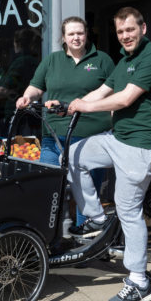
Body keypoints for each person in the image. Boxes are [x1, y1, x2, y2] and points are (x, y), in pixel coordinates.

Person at [66, 7, 151, 301]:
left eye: (130, 30)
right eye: (121, 31)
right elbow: (105, 89)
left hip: (139, 146)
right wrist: (72, 103)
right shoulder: (124, 60)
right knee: (73, 154)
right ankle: (96, 218)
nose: (125, 36)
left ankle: (139, 281)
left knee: (128, 210)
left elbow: (124, 98)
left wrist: (85, 108)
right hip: (117, 138)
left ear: (143, 28)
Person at [16, 16, 114, 225]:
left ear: (86, 35)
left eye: (80, 33)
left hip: (91, 138)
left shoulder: (103, 60)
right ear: (63, 37)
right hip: (55, 137)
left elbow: (114, 95)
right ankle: (51, 237)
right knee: (49, 188)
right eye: (71, 34)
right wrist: (27, 96)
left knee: (87, 195)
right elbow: (36, 86)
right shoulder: (52, 60)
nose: (76, 38)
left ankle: (87, 237)